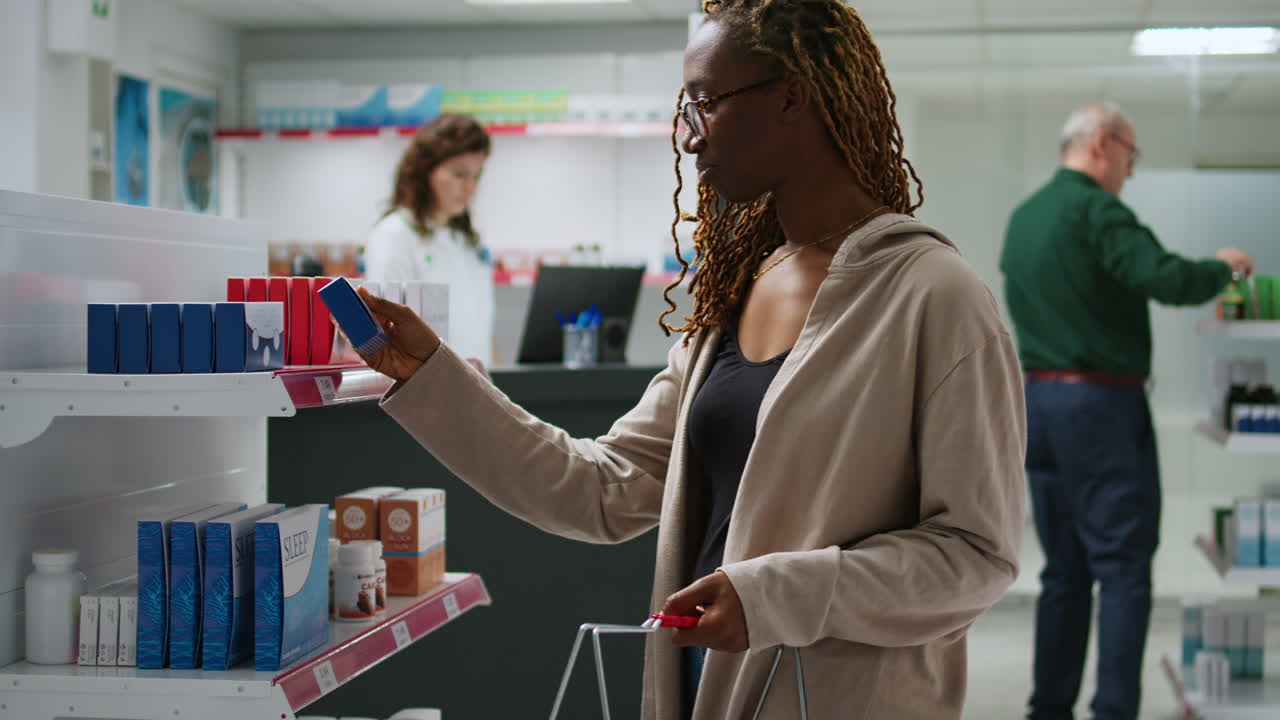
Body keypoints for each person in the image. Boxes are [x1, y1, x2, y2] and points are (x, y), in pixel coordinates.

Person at [357, 1, 1026, 717]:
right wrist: (433, 377)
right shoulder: (735, 299)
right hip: (701, 691)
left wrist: (777, 596)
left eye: (706, 103)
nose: (688, 136)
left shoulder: (935, 296)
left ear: (792, 96)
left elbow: (975, 556)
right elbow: (600, 489)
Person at [1000, 102, 1254, 720]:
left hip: (1038, 405)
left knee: (1063, 570)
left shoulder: (1026, 218)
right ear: (1104, 144)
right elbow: (1163, 276)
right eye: (1131, 157)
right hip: (1101, 406)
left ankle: (1048, 708)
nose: (1131, 173)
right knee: (1123, 566)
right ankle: (1113, 710)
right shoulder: (1097, 210)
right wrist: (1222, 268)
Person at [363, 113, 495, 365]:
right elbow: (385, 336)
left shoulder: (466, 241)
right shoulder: (395, 235)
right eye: (459, 174)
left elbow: (479, 330)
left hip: (475, 389)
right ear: (425, 170)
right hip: (426, 393)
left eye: (477, 176)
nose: (470, 188)